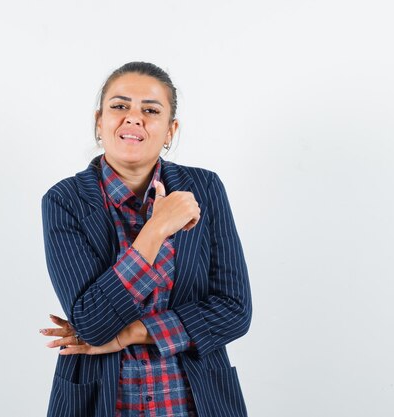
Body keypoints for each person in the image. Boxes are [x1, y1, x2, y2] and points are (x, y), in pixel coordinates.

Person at [39, 61, 252, 417]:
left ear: (170, 130)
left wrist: (133, 333)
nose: (133, 118)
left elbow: (234, 311)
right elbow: (92, 324)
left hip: (197, 400)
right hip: (102, 401)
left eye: (150, 110)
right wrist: (156, 229)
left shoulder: (204, 188)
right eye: (119, 106)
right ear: (99, 121)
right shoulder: (64, 201)